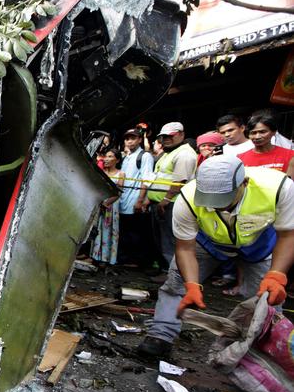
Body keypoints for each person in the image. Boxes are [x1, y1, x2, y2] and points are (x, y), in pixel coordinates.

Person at [136, 156, 294, 358]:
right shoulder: (187, 197)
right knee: (177, 284)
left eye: (222, 199)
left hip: (259, 242)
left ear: (244, 183)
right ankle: (161, 336)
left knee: (268, 298)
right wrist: (192, 284)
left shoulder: (280, 187)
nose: (216, 206)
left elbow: (288, 234)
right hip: (207, 241)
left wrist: (276, 274)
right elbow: (184, 248)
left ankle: (262, 350)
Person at [145, 122, 197, 265]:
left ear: (181, 134)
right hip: (162, 203)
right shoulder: (169, 152)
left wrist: (166, 199)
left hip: (172, 204)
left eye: (170, 136)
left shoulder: (184, 154)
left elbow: (179, 182)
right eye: (163, 136)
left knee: (171, 241)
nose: (166, 139)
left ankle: (174, 273)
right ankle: (168, 270)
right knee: (163, 239)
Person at [117, 129, 154, 268]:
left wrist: (140, 200)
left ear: (139, 139)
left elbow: (147, 178)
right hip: (124, 200)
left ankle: (137, 261)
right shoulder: (128, 156)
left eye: (133, 138)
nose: (130, 141)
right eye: (127, 139)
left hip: (134, 199)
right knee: (127, 231)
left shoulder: (145, 156)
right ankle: (127, 259)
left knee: (136, 232)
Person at [91, 149, 124, 265]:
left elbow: (119, 192)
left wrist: (107, 203)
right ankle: (95, 256)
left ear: (117, 160)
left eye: (110, 156)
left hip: (111, 206)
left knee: (109, 231)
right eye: (106, 156)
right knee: (97, 230)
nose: (106, 159)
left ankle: (106, 259)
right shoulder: (102, 172)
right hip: (100, 204)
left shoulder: (121, 174)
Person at [238, 112, 294, 178]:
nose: (257, 136)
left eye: (262, 132)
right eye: (253, 133)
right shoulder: (240, 159)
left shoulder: (290, 156)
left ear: (274, 132)